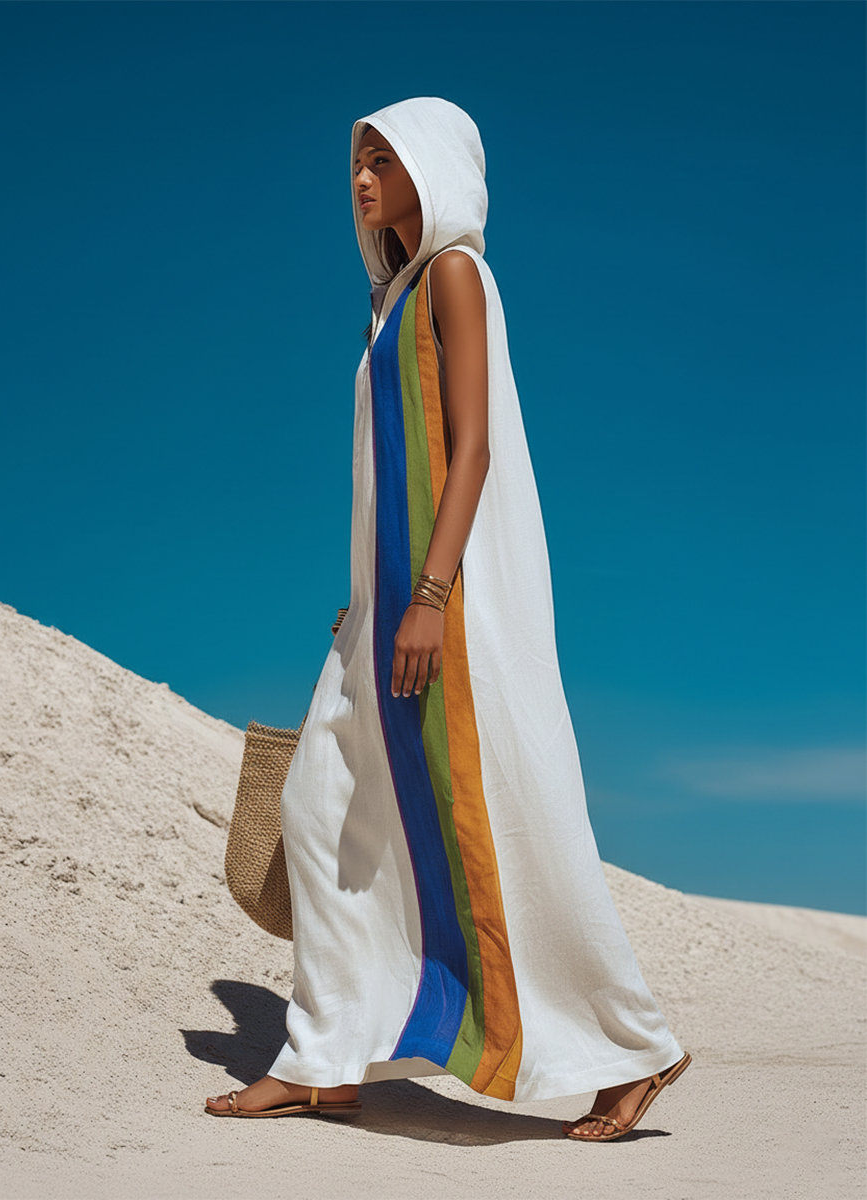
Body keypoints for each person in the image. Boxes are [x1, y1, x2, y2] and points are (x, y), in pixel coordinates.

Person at [206, 97, 690, 1141]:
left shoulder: (454, 275)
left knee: (510, 816)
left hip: (443, 603)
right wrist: (371, 593)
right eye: (357, 161)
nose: (362, 178)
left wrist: (427, 596)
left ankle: (636, 1047)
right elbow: (392, 469)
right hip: (384, 605)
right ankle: (328, 1057)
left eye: (384, 159)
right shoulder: (389, 305)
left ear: (432, 171)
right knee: (317, 808)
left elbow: (471, 447)